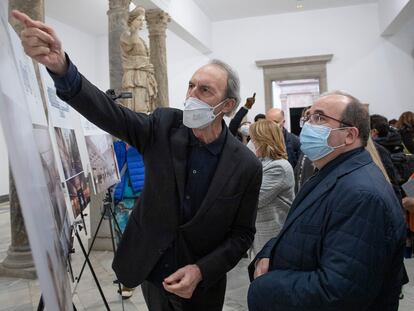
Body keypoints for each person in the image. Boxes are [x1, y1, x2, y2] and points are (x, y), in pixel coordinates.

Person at [12, 10, 263, 311]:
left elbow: (242, 234)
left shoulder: (246, 165)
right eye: (191, 86)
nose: (192, 96)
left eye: (205, 90)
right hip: (152, 271)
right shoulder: (164, 126)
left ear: (228, 105)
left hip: (202, 285)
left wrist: (201, 271)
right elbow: (110, 113)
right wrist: (63, 70)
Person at [248, 91, 407, 311]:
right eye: (309, 117)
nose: (307, 126)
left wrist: (263, 287)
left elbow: (339, 292)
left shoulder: (361, 195)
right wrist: (268, 253)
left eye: (319, 118)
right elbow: (299, 229)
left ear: (349, 135)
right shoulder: (329, 172)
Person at [248, 120, 294, 258]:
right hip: (259, 234)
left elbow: (253, 199)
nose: (250, 143)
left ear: (263, 140)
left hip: (272, 235)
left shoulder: (278, 167)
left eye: (253, 139)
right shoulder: (261, 162)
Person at [120, 7, 158, 113]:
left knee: (144, 106)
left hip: (144, 74)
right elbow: (130, 45)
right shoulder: (126, 35)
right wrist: (134, 30)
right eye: (139, 20)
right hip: (134, 77)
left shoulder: (140, 39)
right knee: (136, 106)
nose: (142, 23)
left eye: (143, 20)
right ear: (132, 20)